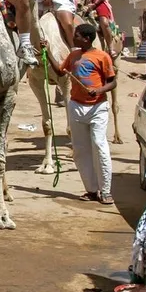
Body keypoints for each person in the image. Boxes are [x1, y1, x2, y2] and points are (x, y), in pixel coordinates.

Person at [45, 23, 117, 205]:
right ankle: (91, 190)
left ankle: (106, 191)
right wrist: (48, 51)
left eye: (76, 35)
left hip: (97, 108)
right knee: (80, 150)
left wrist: (99, 90)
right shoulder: (73, 55)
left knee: (99, 146)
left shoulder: (102, 57)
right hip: (76, 106)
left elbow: (112, 82)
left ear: (86, 38)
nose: (73, 37)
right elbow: (60, 72)